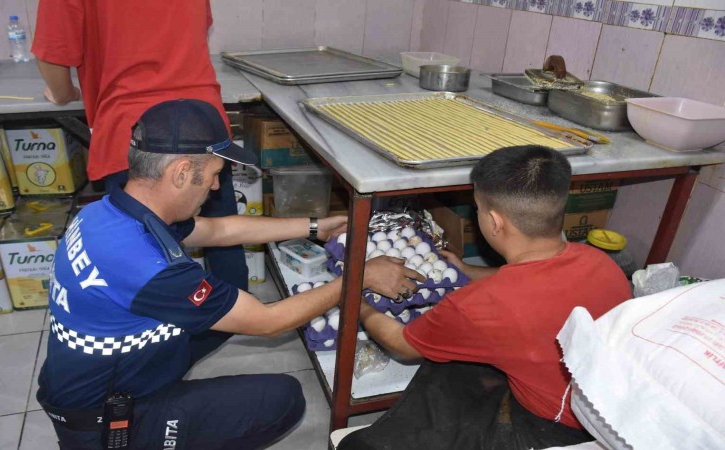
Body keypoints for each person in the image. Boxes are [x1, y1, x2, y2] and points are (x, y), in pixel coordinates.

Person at [36, 99, 420, 450]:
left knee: (220, 321)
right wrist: (360, 277)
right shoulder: (149, 267)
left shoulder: (110, 212)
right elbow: (268, 321)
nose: (217, 186)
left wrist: (314, 226)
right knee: (282, 399)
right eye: (215, 174)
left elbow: (218, 230)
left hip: (86, 382)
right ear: (181, 172)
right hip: (105, 421)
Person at [340, 146, 632, 450]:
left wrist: (357, 296)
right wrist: (467, 270)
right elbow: (538, 281)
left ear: (494, 221)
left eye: (477, 208)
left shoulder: (480, 306)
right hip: (608, 414)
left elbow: (403, 344)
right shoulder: (602, 263)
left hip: (550, 433)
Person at [31, 0, 249, 292]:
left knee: (143, 254)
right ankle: (236, 311)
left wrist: (64, 93)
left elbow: (53, 55)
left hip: (135, 130)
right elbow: (196, 27)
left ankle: (168, 318)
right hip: (200, 121)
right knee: (221, 236)